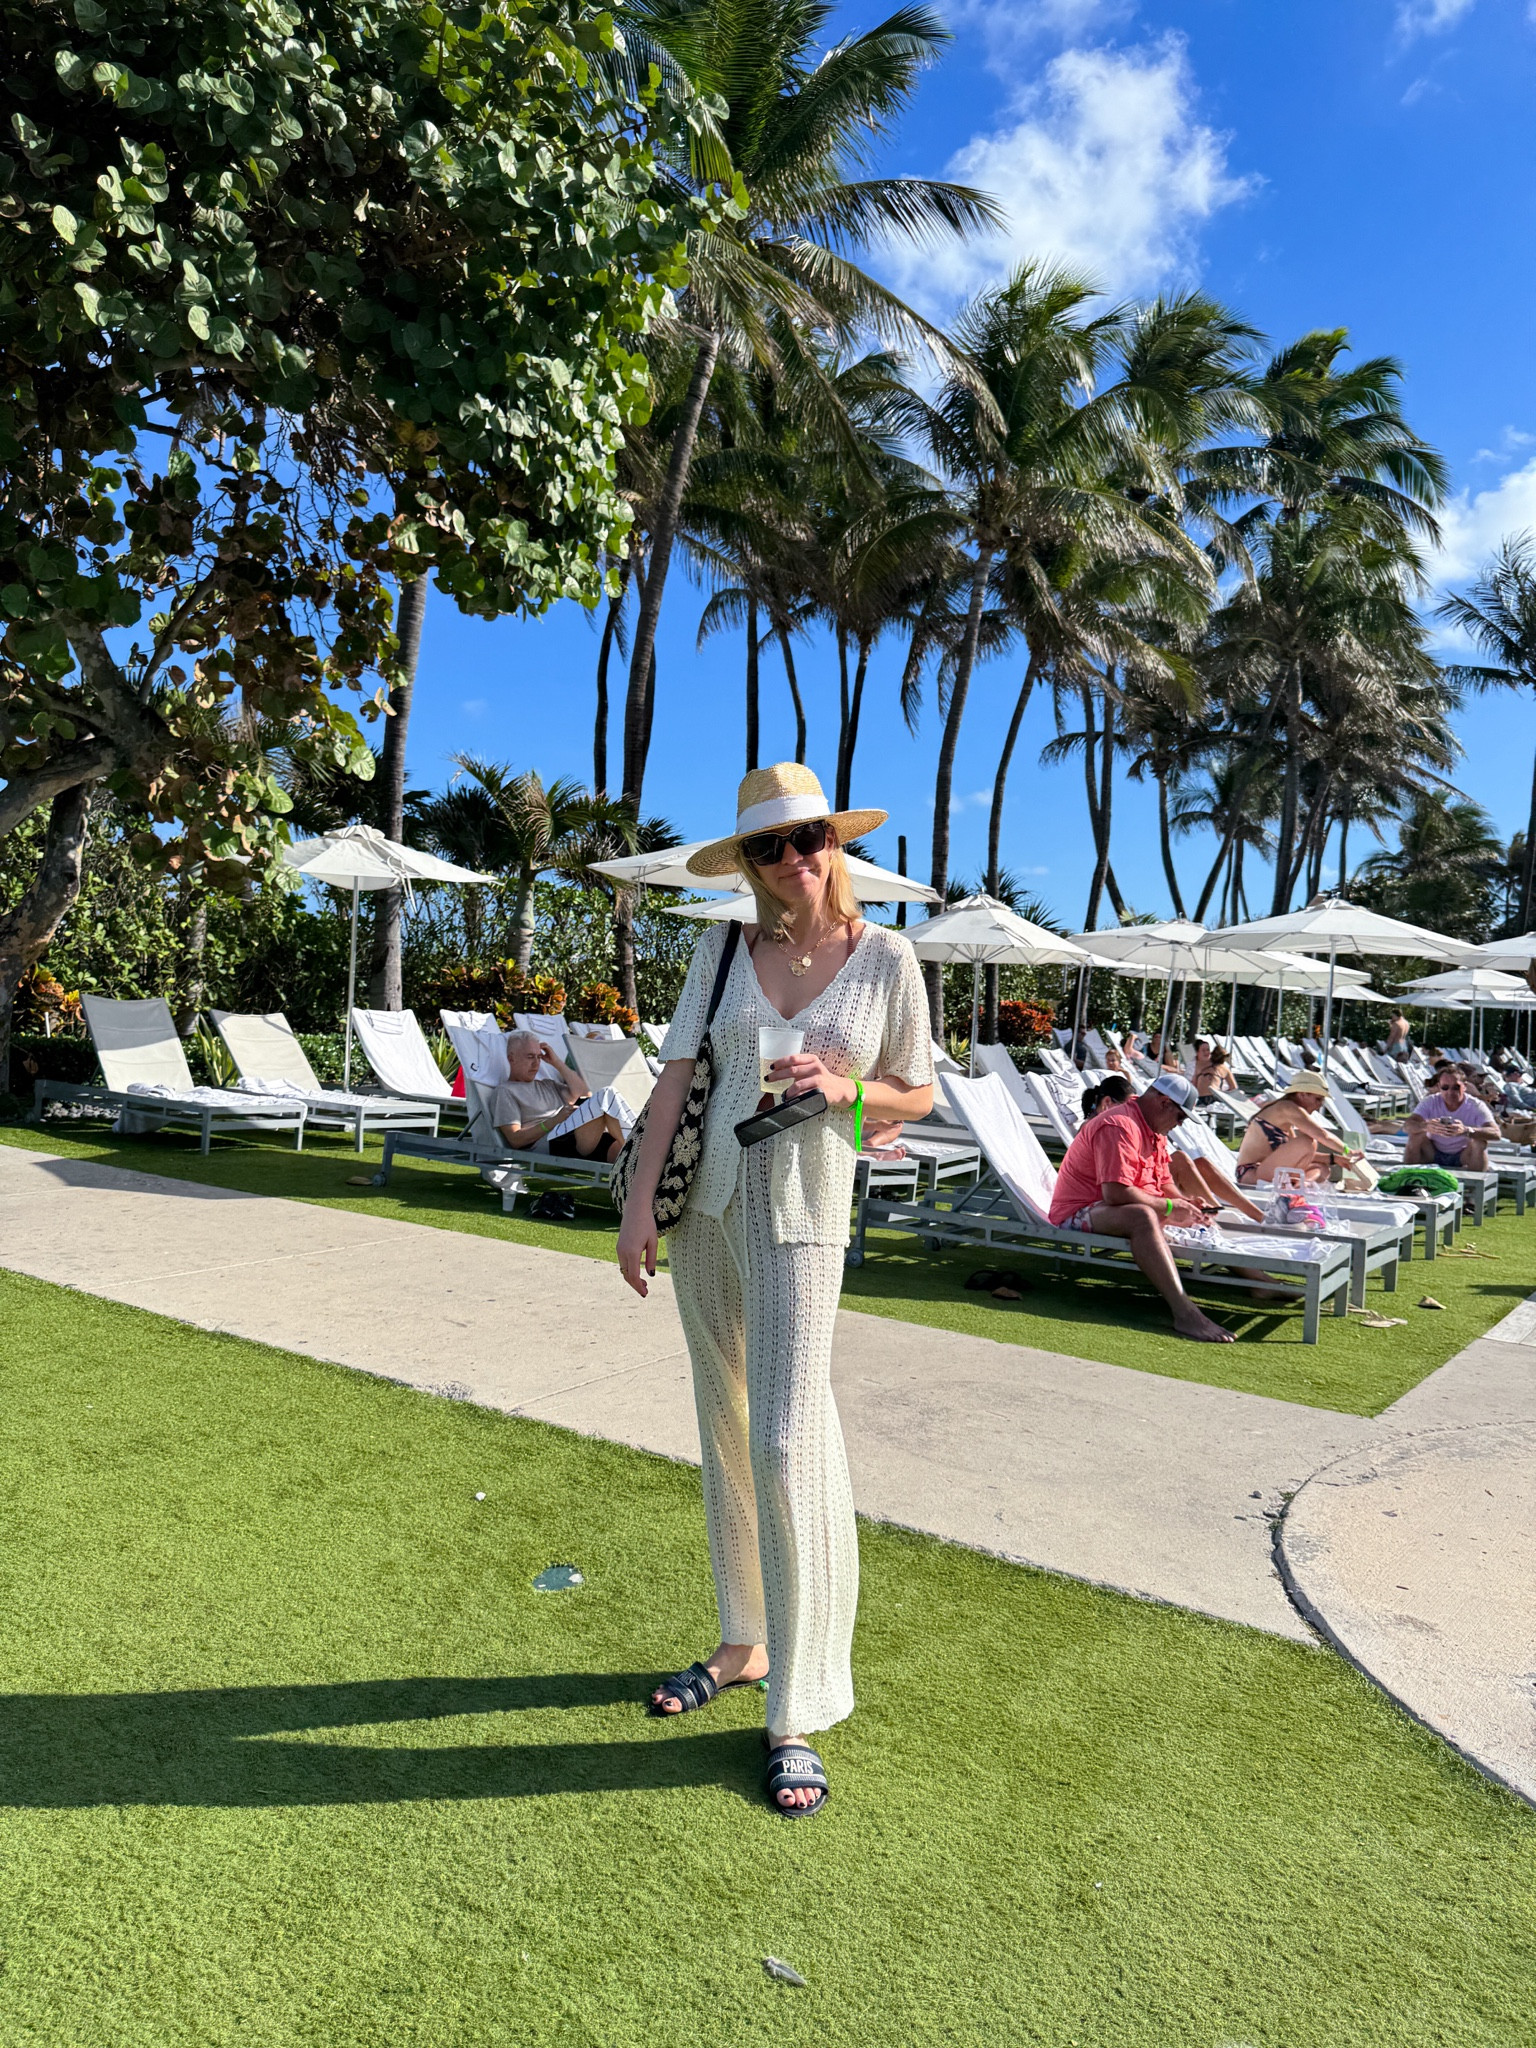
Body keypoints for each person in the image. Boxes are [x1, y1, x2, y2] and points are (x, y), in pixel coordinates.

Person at [615, 764, 933, 1818]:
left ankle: (798, 1703)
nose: (794, 860)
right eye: (770, 845)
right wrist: (634, 1208)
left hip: (806, 1211)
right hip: (706, 1205)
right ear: (747, 861)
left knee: (790, 1436)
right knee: (725, 1421)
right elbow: (670, 1083)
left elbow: (918, 1091)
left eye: (809, 839)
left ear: (835, 843)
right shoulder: (717, 950)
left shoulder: (886, 957)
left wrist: (851, 1089)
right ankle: (742, 1642)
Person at [1046, 1073, 1235, 1344]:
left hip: (1111, 1207)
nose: (1179, 1125)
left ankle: (1263, 1285)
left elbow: (1163, 1182)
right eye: (1180, 1117)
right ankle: (1184, 1312)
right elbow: (1115, 1193)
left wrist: (1185, 1204)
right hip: (1079, 1211)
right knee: (1143, 1216)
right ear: (1164, 1102)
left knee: (1198, 1219)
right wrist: (1169, 1206)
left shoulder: (1151, 1128)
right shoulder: (1119, 1125)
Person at [491, 1028, 628, 1163]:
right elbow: (515, 1140)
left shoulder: (547, 1085)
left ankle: (636, 1157)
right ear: (511, 1058)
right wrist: (555, 1120)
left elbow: (584, 1093)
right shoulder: (505, 1091)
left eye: (539, 1057)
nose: (536, 1063)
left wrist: (556, 1062)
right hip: (553, 1142)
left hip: (577, 1137)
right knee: (605, 1095)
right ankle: (635, 1144)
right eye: (530, 1057)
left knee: (623, 1151)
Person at [1233, 1070, 1365, 1187]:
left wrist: (1334, 1158)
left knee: (1323, 1169)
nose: (1319, 1105)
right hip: (1251, 1173)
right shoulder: (1287, 1108)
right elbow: (1322, 1135)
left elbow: (1299, 1156)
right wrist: (1348, 1150)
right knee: (1307, 1141)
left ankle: (1301, 1186)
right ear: (1302, 1094)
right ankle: (1300, 1186)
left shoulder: (1286, 1117)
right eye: (1318, 1099)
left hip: (1266, 1170)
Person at [1405, 1067, 1497, 1172]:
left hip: (1463, 1155)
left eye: (1456, 1087)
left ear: (1464, 1086)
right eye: (1445, 1087)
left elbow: (1496, 1133)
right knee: (1415, 1135)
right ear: (1439, 1087)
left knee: (1479, 1141)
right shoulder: (1430, 1102)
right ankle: (1408, 1178)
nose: (1450, 1092)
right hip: (1432, 1152)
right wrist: (1426, 1126)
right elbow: (1407, 1126)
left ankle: (1475, 1183)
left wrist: (1466, 1131)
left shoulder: (1476, 1105)